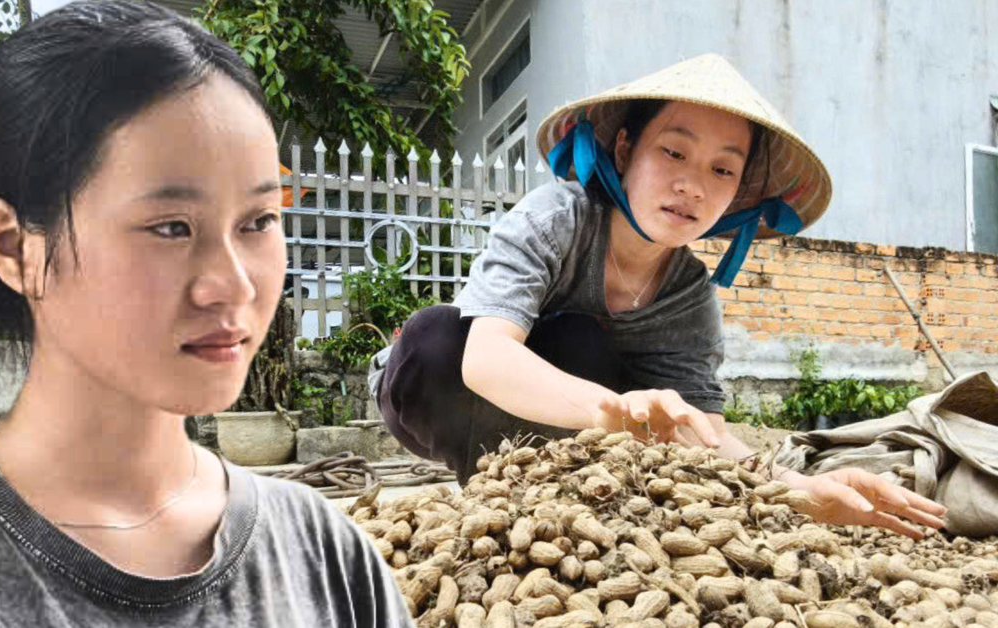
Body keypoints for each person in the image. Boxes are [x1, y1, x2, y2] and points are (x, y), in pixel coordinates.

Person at [0, 2, 412, 626]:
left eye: (259, 221)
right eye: (171, 227)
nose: (233, 284)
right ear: (15, 247)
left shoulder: (328, 559)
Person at [371, 54, 947, 540]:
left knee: (585, 348)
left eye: (722, 169)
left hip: (562, 429)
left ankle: (528, 501)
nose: (693, 185)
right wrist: (611, 411)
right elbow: (485, 358)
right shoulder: (557, 220)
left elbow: (705, 439)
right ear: (624, 150)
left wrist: (807, 491)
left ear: (737, 193)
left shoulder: (689, 300)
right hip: (433, 390)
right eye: (674, 153)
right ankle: (484, 489)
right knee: (437, 335)